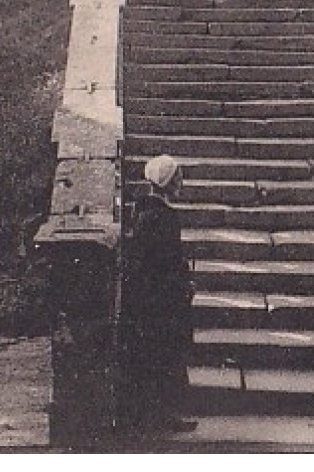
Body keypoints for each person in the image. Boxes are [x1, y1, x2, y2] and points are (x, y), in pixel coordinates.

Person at [118, 155, 198, 434]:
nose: (181, 182)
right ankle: (161, 417)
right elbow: (163, 263)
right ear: (166, 182)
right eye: (177, 177)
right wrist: (182, 285)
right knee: (163, 357)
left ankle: (157, 416)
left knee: (157, 357)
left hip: (151, 298)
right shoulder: (161, 217)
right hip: (160, 301)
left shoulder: (144, 211)